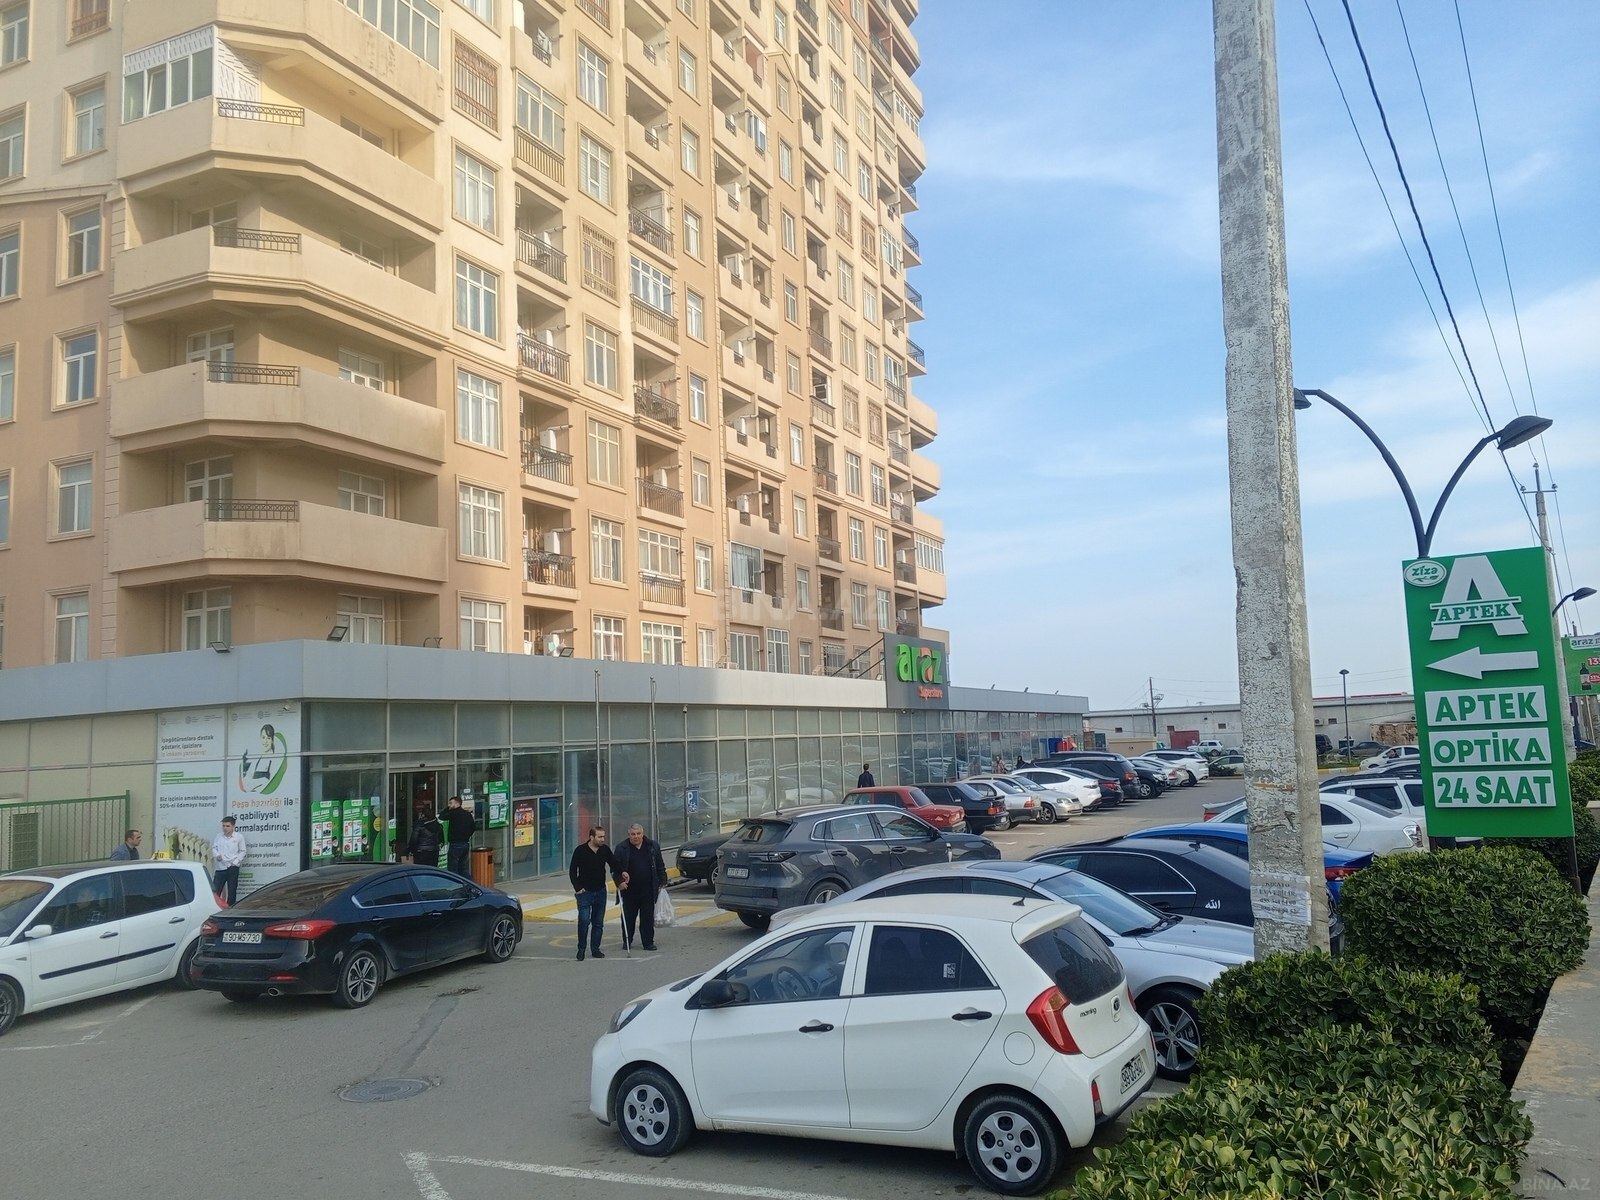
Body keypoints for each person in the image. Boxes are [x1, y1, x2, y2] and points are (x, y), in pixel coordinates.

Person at [568, 825, 621, 960]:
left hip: (600, 891)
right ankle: (581, 949)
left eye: (603, 836)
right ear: (591, 837)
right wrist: (578, 887)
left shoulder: (605, 850)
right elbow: (572, 871)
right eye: (599, 837)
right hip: (585, 892)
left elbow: (614, 864)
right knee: (584, 921)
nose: (602, 839)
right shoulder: (580, 851)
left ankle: (595, 949)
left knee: (598, 923)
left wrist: (622, 874)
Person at [614, 824, 669, 952]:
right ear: (629, 834)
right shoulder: (621, 848)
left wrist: (663, 880)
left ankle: (648, 942)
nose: (636, 837)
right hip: (629, 891)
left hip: (648, 889)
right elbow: (615, 869)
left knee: (647, 918)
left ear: (642, 834)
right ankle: (627, 940)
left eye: (638, 834)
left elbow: (660, 865)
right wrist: (619, 882)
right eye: (633, 834)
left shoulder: (652, 846)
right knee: (628, 917)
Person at [212, 816, 247, 904]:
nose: (225, 828)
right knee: (215, 891)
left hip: (232, 867)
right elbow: (214, 848)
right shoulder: (219, 836)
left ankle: (230, 908)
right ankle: (214, 907)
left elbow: (243, 851)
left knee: (232, 892)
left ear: (233, 826)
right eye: (223, 826)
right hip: (220, 867)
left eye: (227, 826)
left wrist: (235, 862)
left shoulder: (239, 837)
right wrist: (217, 855)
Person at [442, 795, 478, 877]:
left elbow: (442, 816)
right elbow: (473, 828)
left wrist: (447, 809)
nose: (449, 805)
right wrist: (467, 836)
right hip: (465, 843)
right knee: (463, 868)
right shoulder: (467, 814)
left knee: (453, 868)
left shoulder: (452, 813)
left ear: (456, 804)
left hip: (455, 844)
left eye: (450, 803)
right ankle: (468, 883)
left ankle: (456, 884)